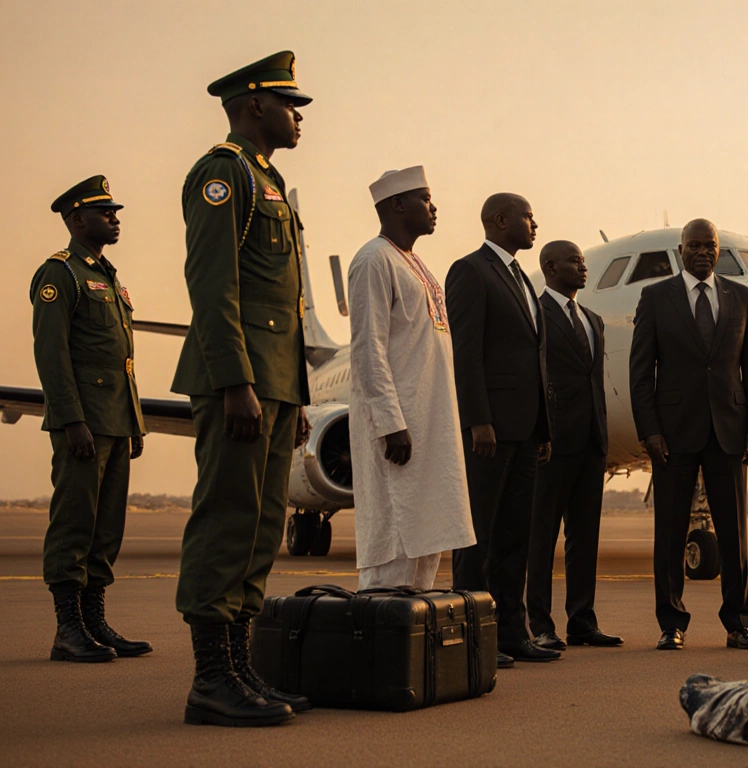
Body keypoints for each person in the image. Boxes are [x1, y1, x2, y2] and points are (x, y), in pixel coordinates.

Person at [172, 51, 313, 727]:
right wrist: (236, 383)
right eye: (291, 105)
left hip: (275, 383)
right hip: (241, 382)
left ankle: (238, 668)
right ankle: (209, 680)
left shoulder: (271, 180)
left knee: (260, 527)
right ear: (254, 105)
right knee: (227, 519)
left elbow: (284, 303)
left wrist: (296, 392)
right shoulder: (223, 176)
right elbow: (215, 285)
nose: (299, 117)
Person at [629, 218, 748, 651]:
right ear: (681, 249)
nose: (704, 252)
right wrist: (649, 429)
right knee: (669, 534)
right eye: (695, 245)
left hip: (727, 430)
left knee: (734, 535)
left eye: (711, 246)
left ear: (718, 250)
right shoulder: (655, 297)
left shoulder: (741, 297)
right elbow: (640, 372)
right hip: (672, 434)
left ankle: (738, 623)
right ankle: (671, 623)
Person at [31, 176, 150, 663]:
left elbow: (120, 360)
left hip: (114, 422)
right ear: (77, 219)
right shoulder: (60, 274)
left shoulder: (107, 275)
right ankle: (68, 629)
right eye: (106, 213)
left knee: (106, 528)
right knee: (74, 524)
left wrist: (135, 422)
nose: (115, 219)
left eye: (116, 212)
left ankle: (95, 621)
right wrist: (71, 420)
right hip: (83, 423)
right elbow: (52, 354)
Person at [348, 167, 475, 591]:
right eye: (425, 198)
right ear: (397, 205)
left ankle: (411, 646)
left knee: (428, 535)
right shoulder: (373, 259)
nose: (433, 207)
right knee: (396, 537)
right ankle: (381, 641)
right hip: (400, 427)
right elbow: (368, 348)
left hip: (431, 424)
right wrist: (391, 423)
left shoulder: (416, 264)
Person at [445, 193, 557, 666]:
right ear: (500, 220)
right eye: (529, 216)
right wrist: (478, 420)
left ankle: (512, 632)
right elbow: (466, 352)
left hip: (527, 430)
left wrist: (543, 428)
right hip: (491, 431)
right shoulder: (470, 271)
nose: (536, 223)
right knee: (479, 538)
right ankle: (472, 636)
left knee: (516, 536)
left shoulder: (519, 278)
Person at [526, 240, 622, 650]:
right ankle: (540, 625)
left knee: (585, 536)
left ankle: (582, 621)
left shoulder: (593, 319)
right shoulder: (536, 314)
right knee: (542, 537)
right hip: (552, 441)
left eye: (583, 262)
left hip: (590, 442)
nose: (583, 268)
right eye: (574, 262)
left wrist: (602, 434)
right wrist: (538, 432)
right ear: (550, 267)